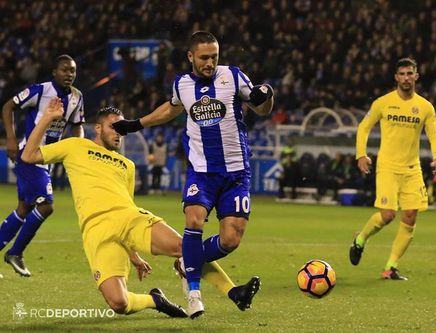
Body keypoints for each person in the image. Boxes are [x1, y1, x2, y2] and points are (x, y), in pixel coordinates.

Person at [21, 103, 258, 318]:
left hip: (129, 218)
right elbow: (28, 155)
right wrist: (48, 118)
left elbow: (129, 203)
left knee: (183, 246)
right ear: (98, 128)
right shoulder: (75, 145)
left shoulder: (127, 165)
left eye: (122, 129)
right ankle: (155, 300)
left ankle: (233, 291)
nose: (118, 133)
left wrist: (134, 254)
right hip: (95, 230)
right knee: (119, 303)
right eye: (113, 127)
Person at [113, 31, 273, 318]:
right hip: (202, 172)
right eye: (204, 57)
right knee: (194, 220)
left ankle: (189, 260)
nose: (210, 62)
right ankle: (194, 293)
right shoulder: (182, 85)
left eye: (214, 56)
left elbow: (262, 108)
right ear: (191, 57)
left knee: (230, 240)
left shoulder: (233, 76)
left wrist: (267, 95)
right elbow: (170, 110)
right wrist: (136, 124)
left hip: (237, 173)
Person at [350, 58, 436, 280]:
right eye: (402, 74)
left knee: (410, 216)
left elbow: (435, 134)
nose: (406, 78)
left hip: (412, 169)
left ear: (416, 76)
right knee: (388, 215)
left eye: (410, 73)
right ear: (396, 77)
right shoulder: (383, 103)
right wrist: (361, 154)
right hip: (388, 167)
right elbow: (363, 127)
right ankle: (361, 239)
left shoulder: (425, 107)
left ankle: (390, 267)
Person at [0, 54, 84, 277]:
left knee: (24, 208)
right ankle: (15, 253)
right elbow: (8, 106)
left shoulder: (77, 97)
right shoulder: (40, 90)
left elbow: (77, 126)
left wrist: (80, 150)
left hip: (46, 159)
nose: (69, 74)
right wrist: (10, 138)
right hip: (29, 155)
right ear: (54, 72)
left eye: (73, 70)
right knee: (46, 205)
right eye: (65, 70)